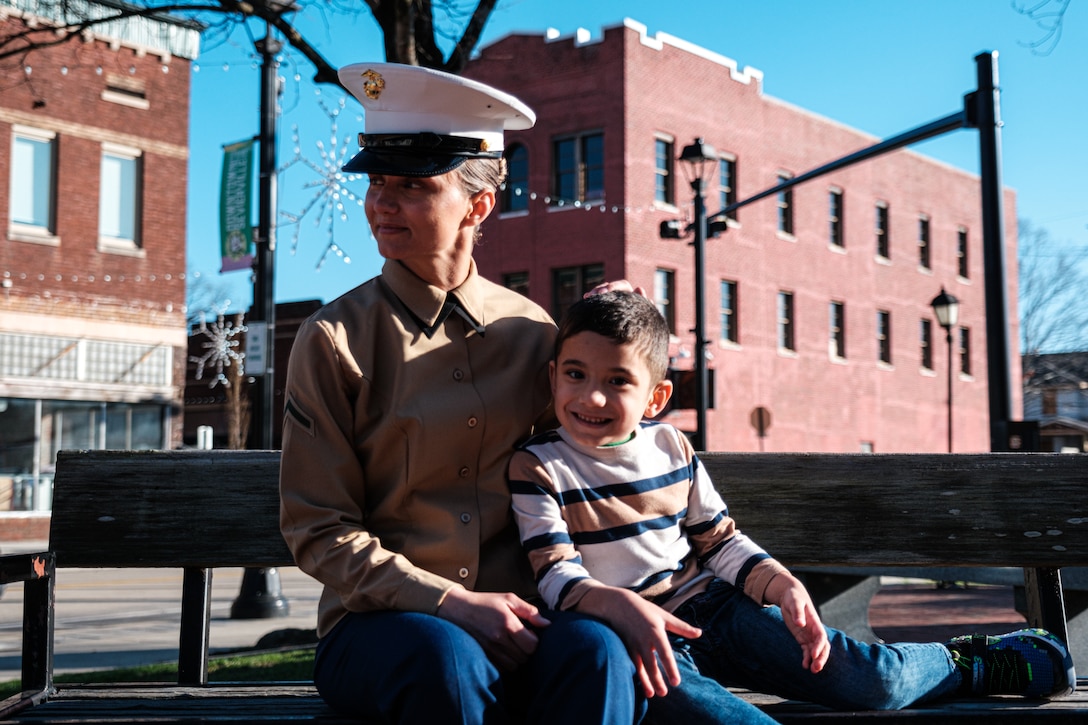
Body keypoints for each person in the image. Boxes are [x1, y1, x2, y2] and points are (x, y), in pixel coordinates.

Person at [508, 290, 1076, 724]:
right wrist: (618, 607)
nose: (591, 397)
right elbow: (556, 573)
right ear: (554, 374)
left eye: (618, 381)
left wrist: (779, 585)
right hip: (633, 640)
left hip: (717, 612)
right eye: (576, 375)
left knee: (870, 683)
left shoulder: (670, 447)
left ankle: (967, 663)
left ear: (656, 397)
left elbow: (718, 540)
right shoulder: (538, 465)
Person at [279, 63, 643, 724]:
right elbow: (320, 530)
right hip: (380, 626)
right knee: (446, 658)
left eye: (413, 186)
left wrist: (623, 340)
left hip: (520, 615)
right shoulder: (333, 339)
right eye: (378, 183)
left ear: (478, 205)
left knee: (598, 651)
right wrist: (448, 601)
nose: (382, 204)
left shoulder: (537, 336)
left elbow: (598, 465)